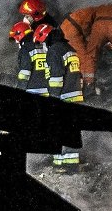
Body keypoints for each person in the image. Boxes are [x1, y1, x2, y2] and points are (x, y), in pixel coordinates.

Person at [34, 23, 84, 168]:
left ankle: (60, 165)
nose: (42, 47)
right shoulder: (69, 49)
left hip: (63, 97)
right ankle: (70, 165)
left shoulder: (54, 51)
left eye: (41, 43)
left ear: (45, 38)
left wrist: (53, 99)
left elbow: (56, 78)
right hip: (75, 96)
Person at [10, 21, 48, 96]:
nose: (16, 42)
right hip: (48, 90)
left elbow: (24, 73)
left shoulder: (25, 49)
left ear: (21, 35)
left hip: (33, 89)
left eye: (16, 39)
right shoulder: (45, 46)